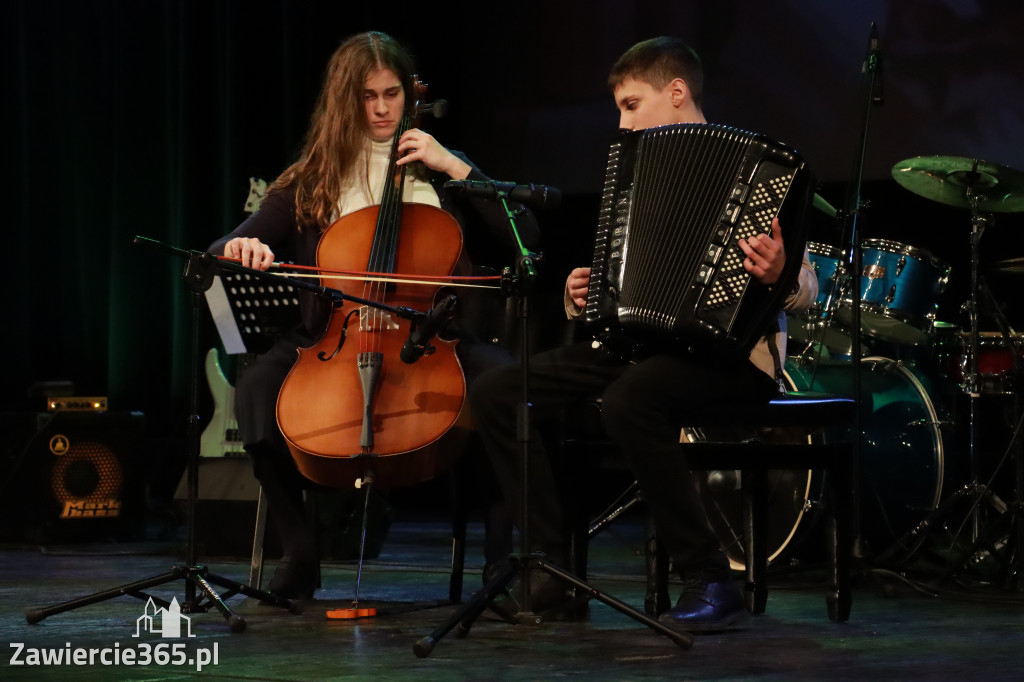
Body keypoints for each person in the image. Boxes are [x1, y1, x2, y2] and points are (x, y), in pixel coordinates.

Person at [468, 36, 817, 631]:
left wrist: (782, 272)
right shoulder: (634, 171)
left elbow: (806, 286)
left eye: (632, 105)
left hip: (734, 359)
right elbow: (620, 273)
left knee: (630, 399)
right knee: (498, 390)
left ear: (676, 92)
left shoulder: (759, 167)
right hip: (638, 348)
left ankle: (711, 578)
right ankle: (552, 568)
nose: (622, 123)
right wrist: (582, 293)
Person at [209, 31, 535, 600]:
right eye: (368, 96)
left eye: (392, 93)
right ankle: (300, 553)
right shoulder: (313, 179)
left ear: (409, 95)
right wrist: (244, 247)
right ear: (345, 101)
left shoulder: (439, 171)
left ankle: (499, 564)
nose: (383, 109)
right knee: (256, 390)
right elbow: (222, 248)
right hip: (332, 336)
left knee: (505, 384)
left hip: (432, 336)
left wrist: (452, 164)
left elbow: (523, 239)